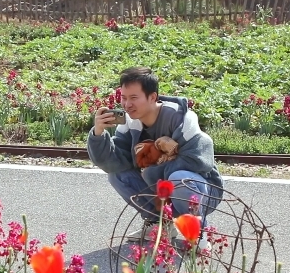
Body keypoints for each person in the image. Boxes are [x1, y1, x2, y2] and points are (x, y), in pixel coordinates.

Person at [87, 67, 224, 243]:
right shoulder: (131, 122)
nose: (127, 104)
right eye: (124, 98)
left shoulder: (181, 118)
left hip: (204, 191)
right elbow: (114, 162)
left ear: (152, 97)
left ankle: (198, 230)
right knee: (117, 176)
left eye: (134, 98)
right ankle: (159, 223)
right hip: (163, 192)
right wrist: (98, 134)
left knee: (179, 177)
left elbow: (199, 160)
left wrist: (153, 173)